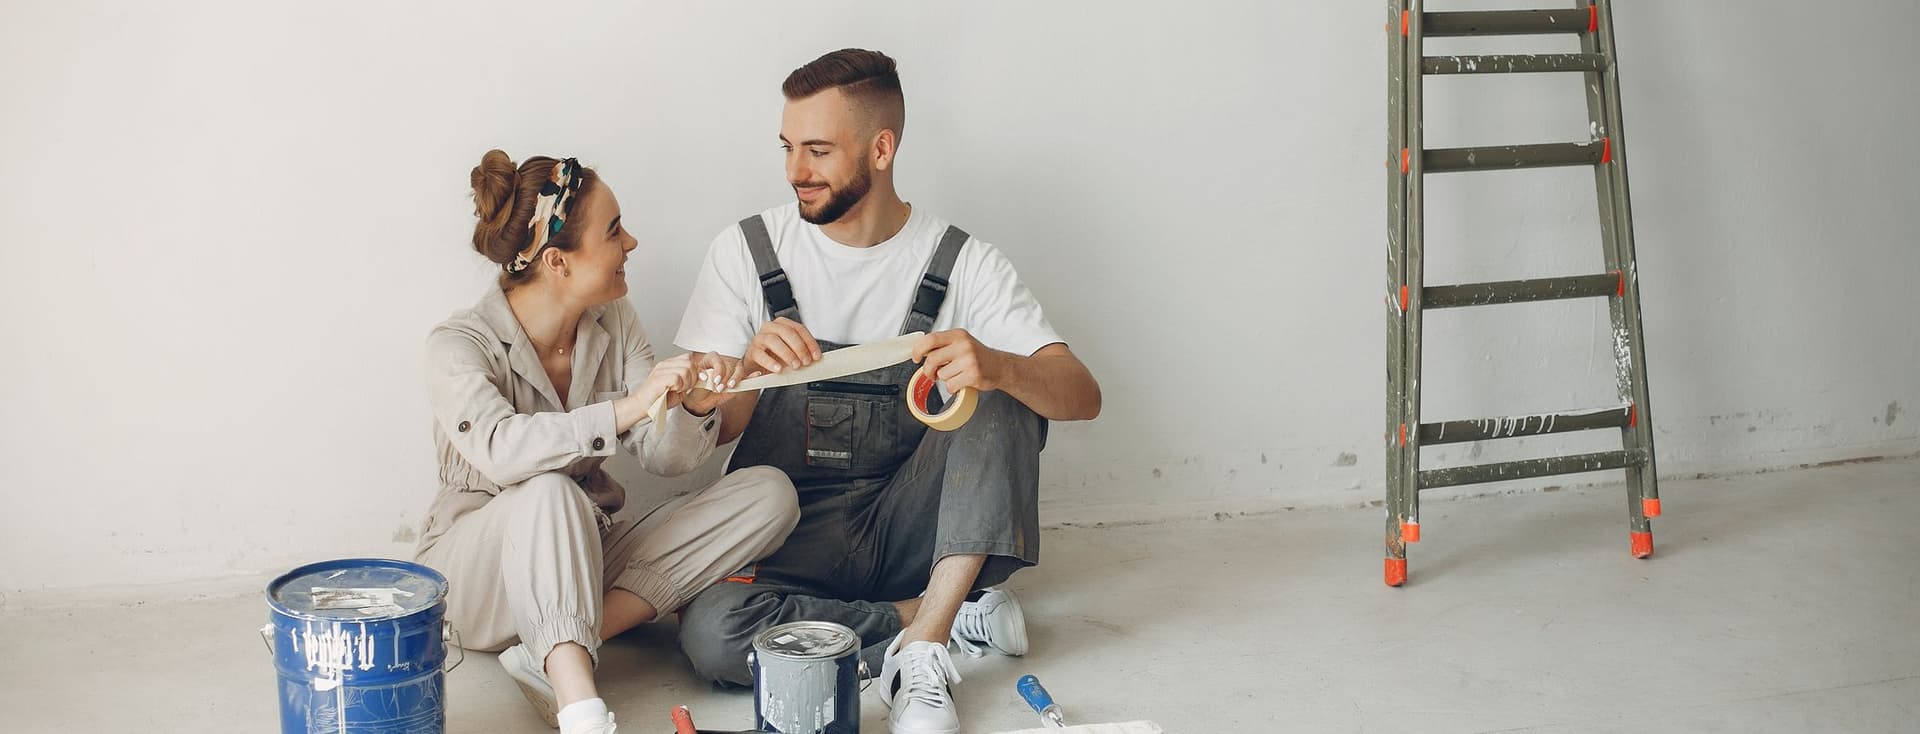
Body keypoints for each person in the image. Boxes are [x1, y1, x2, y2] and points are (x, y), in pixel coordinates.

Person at [673, 50, 1102, 734]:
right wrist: (738, 376)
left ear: (881, 148)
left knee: (999, 388)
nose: (795, 171)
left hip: (915, 525)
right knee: (712, 634)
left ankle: (923, 654)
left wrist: (997, 364)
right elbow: (711, 431)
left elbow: (1082, 393)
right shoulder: (747, 252)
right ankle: (940, 614)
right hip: (787, 534)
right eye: (787, 147)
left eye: (817, 150)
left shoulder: (963, 262)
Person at [414, 150, 800, 734]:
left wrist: (692, 405)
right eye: (614, 230)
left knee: (770, 494)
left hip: (583, 555)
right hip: (476, 580)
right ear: (557, 261)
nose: (632, 242)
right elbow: (501, 448)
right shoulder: (459, 345)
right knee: (547, 490)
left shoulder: (615, 320)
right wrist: (628, 407)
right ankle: (582, 711)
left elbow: (662, 457)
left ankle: (551, 644)